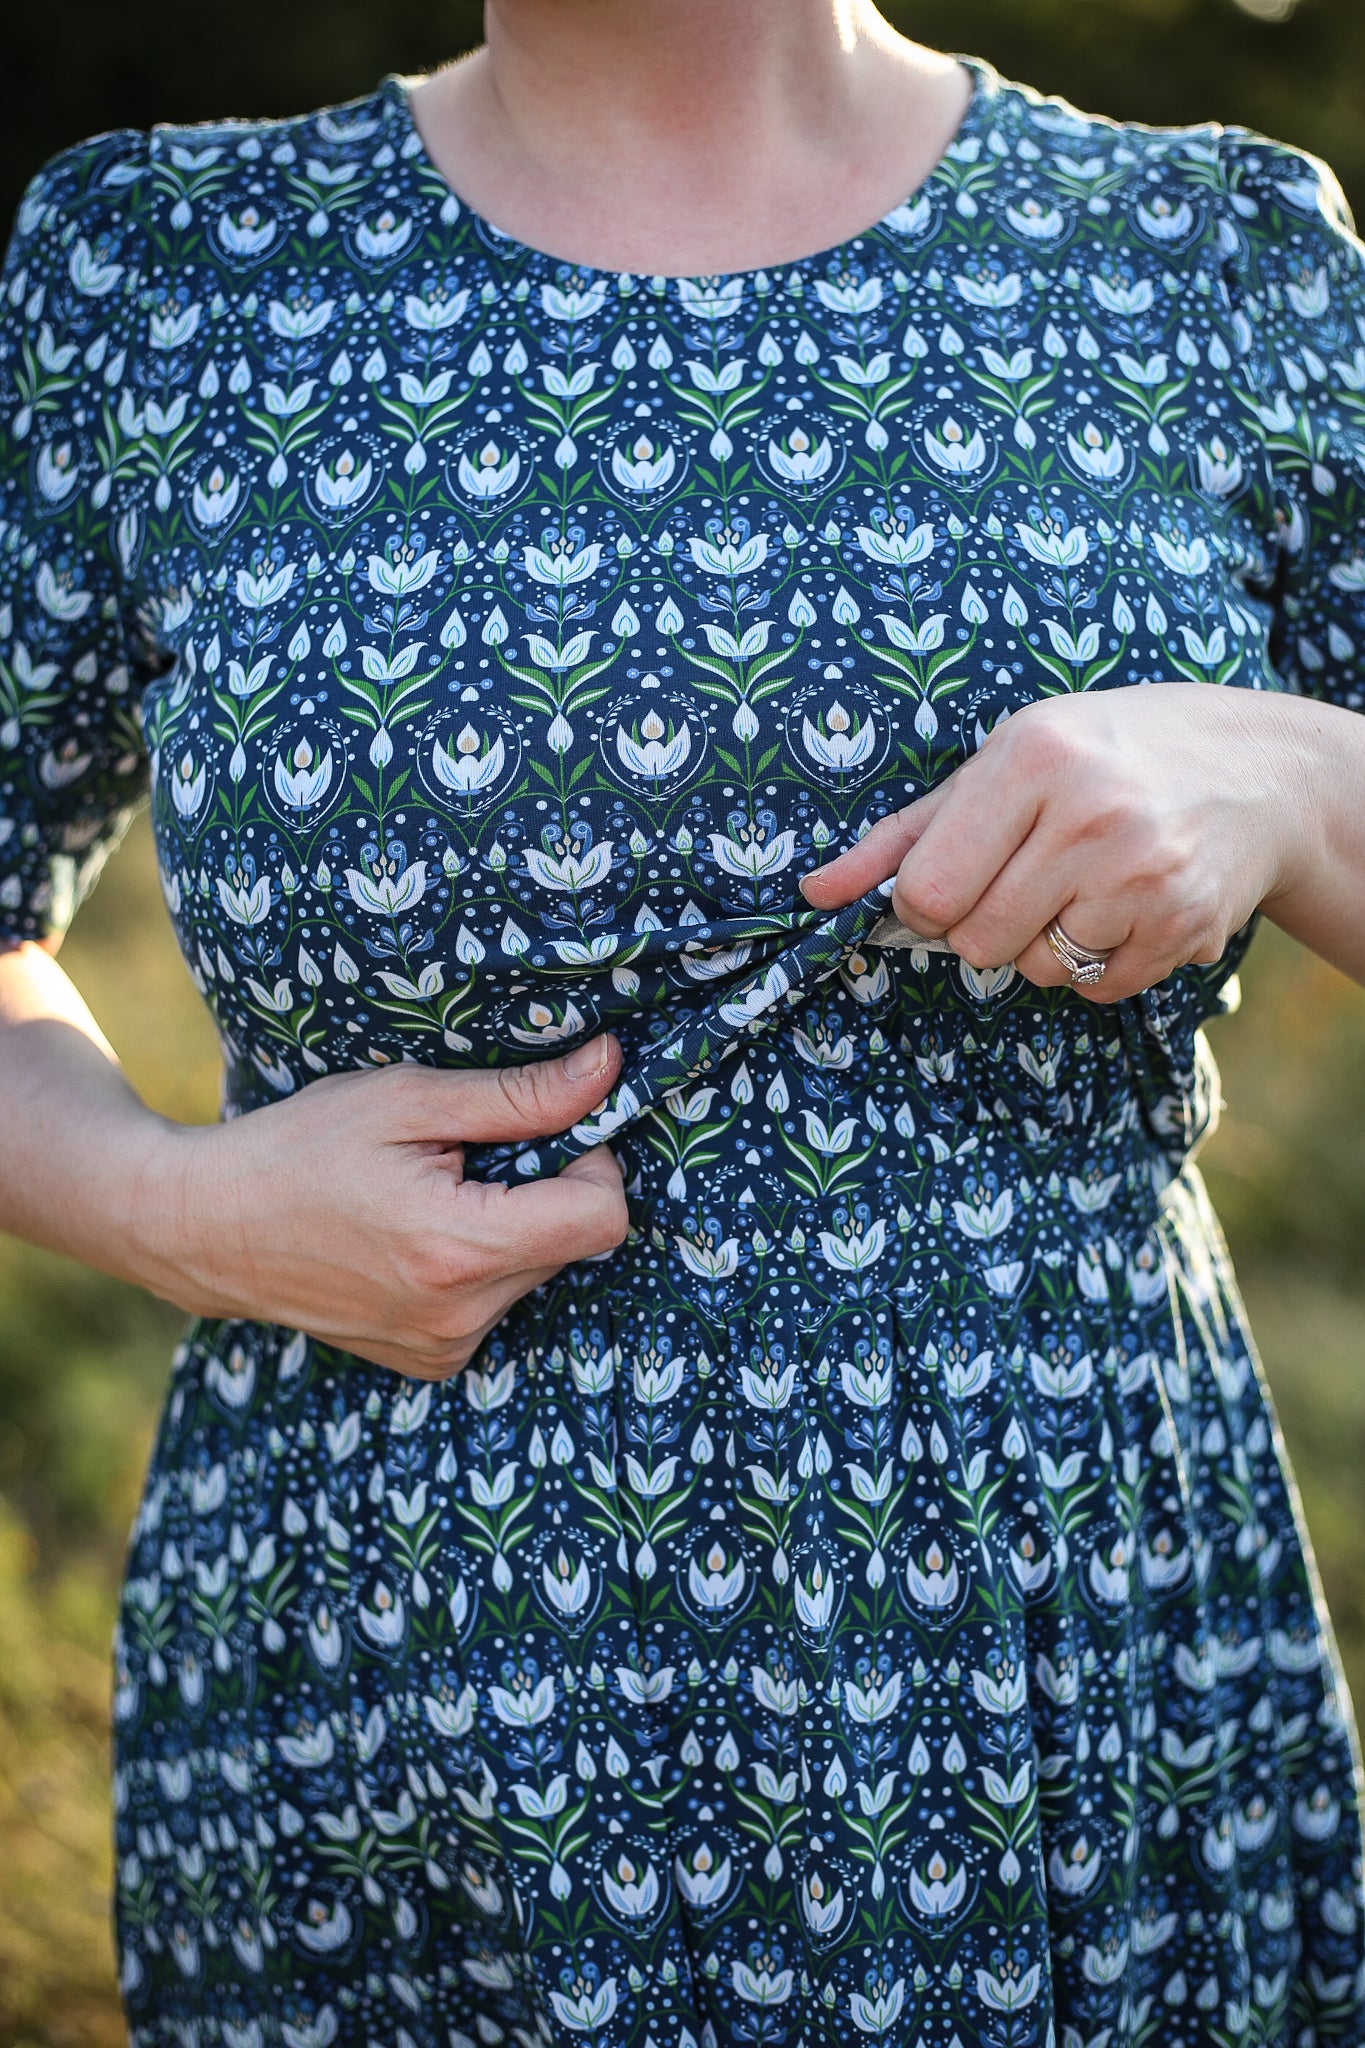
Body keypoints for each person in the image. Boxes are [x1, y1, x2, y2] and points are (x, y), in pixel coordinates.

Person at [2, 1, 1364, 2040]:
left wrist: (1292, 779)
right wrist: (173, 1207)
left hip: (1064, 1670)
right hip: (397, 1707)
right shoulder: (157, 271)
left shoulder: (1211, 254)